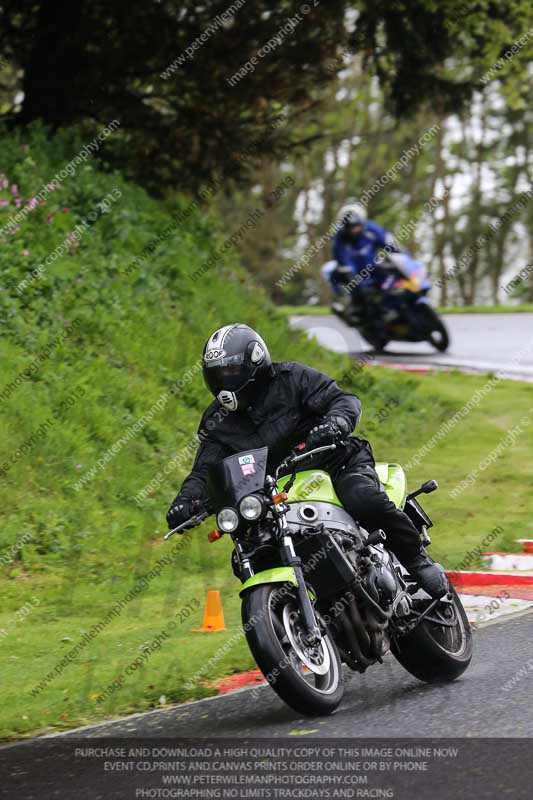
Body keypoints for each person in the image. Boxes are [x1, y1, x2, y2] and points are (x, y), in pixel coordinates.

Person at [166, 323, 448, 599]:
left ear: (256, 362)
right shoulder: (217, 419)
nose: (223, 382)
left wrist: (336, 422)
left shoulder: (292, 378)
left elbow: (342, 400)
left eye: (230, 370)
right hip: (275, 493)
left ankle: (416, 561)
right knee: (250, 550)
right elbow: (205, 469)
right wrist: (184, 502)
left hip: (335, 463)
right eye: (216, 374)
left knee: (363, 499)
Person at [324, 203, 399, 337]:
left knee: (392, 277)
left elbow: (387, 243)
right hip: (356, 274)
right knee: (359, 289)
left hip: (374, 266)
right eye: (351, 227)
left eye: (357, 226)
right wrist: (349, 273)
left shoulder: (371, 229)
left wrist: (398, 253)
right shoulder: (340, 239)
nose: (355, 230)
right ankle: (356, 312)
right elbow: (341, 259)